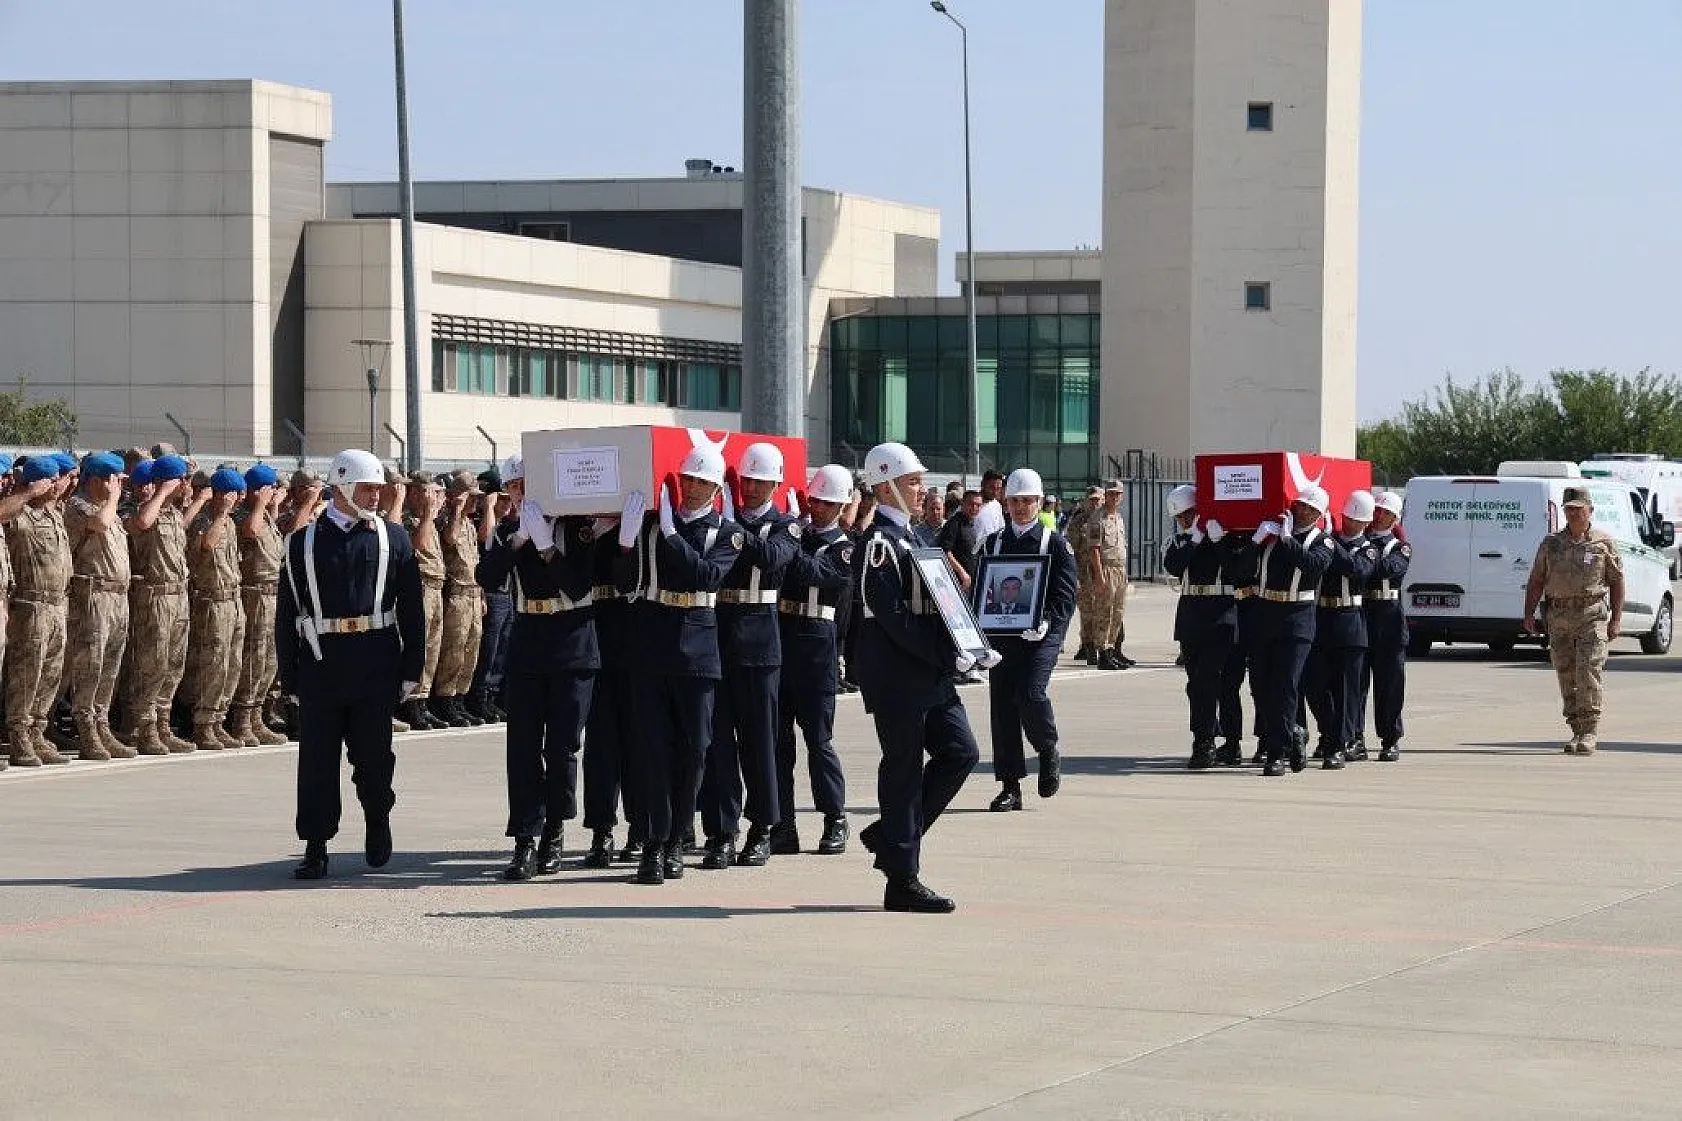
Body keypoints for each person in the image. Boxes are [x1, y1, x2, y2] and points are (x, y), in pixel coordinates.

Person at [852, 442, 999, 913]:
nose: (922, 490)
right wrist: (943, 653)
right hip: (898, 677)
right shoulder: (879, 544)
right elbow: (891, 616)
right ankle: (902, 879)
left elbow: (941, 606)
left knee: (961, 753)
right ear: (885, 485)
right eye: (913, 481)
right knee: (903, 769)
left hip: (929, 672)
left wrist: (968, 644)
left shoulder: (915, 538)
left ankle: (892, 834)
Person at [278, 449, 426, 880]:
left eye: (379, 489)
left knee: (375, 760)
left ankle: (378, 817)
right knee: (317, 762)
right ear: (341, 486)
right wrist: (290, 677)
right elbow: (287, 614)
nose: (376, 496)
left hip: (375, 661)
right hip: (321, 663)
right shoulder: (302, 542)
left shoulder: (393, 539)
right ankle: (316, 843)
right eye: (367, 488)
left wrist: (411, 668)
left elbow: (412, 611)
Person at [477, 453, 607, 880]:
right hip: (529, 637)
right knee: (523, 747)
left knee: (563, 746)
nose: (520, 495)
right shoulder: (510, 532)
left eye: (527, 486)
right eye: (514, 488)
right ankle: (524, 838)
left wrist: (548, 546)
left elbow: (579, 583)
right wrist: (519, 542)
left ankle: (554, 830)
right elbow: (486, 576)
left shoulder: (577, 528)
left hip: (572, 640)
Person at [614, 447, 741, 885]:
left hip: (698, 650)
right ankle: (653, 842)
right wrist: (627, 541)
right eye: (687, 480)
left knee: (696, 748)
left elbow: (705, 578)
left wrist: (670, 535)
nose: (691, 488)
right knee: (651, 749)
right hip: (651, 643)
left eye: (701, 482)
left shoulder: (726, 532)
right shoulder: (653, 525)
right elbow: (622, 578)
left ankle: (677, 839)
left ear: (715, 488)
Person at [699, 442, 800, 870]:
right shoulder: (724, 520)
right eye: (748, 480)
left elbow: (773, 558)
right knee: (717, 742)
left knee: (761, 742)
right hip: (719, 636)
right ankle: (721, 831)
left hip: (760, 642)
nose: (754, 488)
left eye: (762, 481)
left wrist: (731, 530)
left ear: (776, 483)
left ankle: (762, 828)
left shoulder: (786, 525)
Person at [981, 468, 1077, 812]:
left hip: (1041, 635)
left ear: (1039, 502)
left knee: (1031, 694)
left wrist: (1047, 621)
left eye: (1028, 501)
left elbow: (1066, 598)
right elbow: (982, 593)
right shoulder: (993, 542)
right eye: (1015, 501)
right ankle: (1010, 786)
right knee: (1003, 706)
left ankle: (1047, 748)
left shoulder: (1055, 544)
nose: (1021, 508)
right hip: (1003, 636)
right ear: (1006, 503)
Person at [771, 463, 856, 855]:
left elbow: (815, 573)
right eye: (814, 500)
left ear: (840, 506)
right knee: (778, 742)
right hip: (783, 637)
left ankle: (835, 818)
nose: (817, 507)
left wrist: (791, 535)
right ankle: (782, 823)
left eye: (825, 502)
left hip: (817, 645)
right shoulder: (796, 535)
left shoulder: (845, 547)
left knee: (819, 741)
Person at [1522, 485, 1624, 756]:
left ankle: (1590, 731)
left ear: (1590, 510)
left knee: (1588, 670)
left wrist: (1616, 620)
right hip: (1559, 616)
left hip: (1592, 615)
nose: (1574, 515)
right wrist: (1529, 614)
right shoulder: (1551, 543)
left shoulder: (1603, 543)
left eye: (1579, 510)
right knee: (1565, 673)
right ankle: (1576, 729)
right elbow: (1536, 580)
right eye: (1569, 510)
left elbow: (1617, 581)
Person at [1246, 485, 1334, 777]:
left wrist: (1285, 539)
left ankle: (1277, 752)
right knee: (1260, 686)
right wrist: (1255, 541)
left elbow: (1312, 566)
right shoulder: (1272, 536)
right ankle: (1292, 731)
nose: (1302, 511)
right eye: (1299, 505)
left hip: (1297, 618)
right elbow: (1241, 569)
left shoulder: (1322, 541)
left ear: (1319, 514)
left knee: (1285, 685)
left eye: (1310, 508)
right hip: (1265, 614)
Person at [1161, 485, 1246, 769]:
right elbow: (1173, 566)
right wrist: (1194, 540)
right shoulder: (1181, 541)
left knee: (1223, 684)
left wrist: (1218, 540)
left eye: (1190, 514)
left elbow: (1236, 571)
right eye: (1181, 517)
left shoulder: (1225, 537)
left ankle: (1224, 742)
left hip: (1222, 612)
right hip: (1191, 615)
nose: (1186, 521)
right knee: (1197, 684)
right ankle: (1207, 739)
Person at [119, 455, 197, 754]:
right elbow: (141, 523)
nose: (186, 486)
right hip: (155, 596)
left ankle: (162, 724)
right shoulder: (144, 511)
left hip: (178, 596)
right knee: (151, 665)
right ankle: (143, 727)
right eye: (182, 480)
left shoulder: (175, 515)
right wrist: (163, 491)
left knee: (172, 666)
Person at [63, 452, 135, 760]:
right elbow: (101, 525)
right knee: (90, 665)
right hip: (93, 595)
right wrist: (113, 499)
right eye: (114, 479)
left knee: (110, 667)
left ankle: (102, 723)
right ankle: (86, 729)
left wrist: (112, 499)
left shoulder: (110, 507)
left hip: (117, 596)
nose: (119, 485)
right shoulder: (79, 506)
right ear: (96, 481)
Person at [4, 455, 70, 766]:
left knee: (50, 674)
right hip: (32, 605)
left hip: (58, 605)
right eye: (51, 479)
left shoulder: (55, 515)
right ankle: (18, 734)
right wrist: (28, 493)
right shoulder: (21, 516)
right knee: (27, 674)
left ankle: (37, 732)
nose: (58, 484)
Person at [1304, 491, 1377, 770]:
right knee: (1315, 685)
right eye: (1349, 518)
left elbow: (1358, 570)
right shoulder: (1326, 542)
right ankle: (1329, 732)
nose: (1352, 524)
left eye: (1359, 521)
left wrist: (1332, 545)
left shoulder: (1368, 548)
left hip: (1349, 620)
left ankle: (1339, 743)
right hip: (1321, 616)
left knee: (1346, 690)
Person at [185, 468, 247, 750]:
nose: (237, 500)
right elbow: (206, 546)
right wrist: (221, 513)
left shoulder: (230, 523)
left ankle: (218, 719)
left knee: (231, 664)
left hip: (233, 599)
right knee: (213, 664)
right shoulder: (205, 520)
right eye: (233, 495)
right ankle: (203, 723)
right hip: (212, 600)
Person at [230, 463, 289, 747]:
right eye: (271, 488)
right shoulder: (244, 514)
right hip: (255, 594)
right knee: (254, 658)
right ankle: (242, 720)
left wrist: (269, 508)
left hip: (272, 592)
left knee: (269, 660)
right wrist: (261, 505)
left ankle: (256, 716)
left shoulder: (264, 514)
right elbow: (250, 532)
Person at [432, 471, 484, 726]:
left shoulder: (471, 525)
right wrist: (456, 509)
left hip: (473, 593)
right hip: (456, 594)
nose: (475, 502)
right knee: (453, 650)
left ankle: (460, 699)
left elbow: (475, 563)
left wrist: (482, 594)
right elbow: (450, 540)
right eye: (470, 497)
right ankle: (444, 699)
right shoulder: (448, 520)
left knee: (470, 651)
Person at [1361, 490, 1410, 761]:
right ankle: (1354, 736)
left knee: (1390, 684)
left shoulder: (1400, 547)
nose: (1379, 516)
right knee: (1356, 684)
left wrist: (1361, 555)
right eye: (1376, 511)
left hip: (1388, 618)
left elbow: (1383, 570)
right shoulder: (1359, 540)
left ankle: (1390, 738)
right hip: (1362, 613)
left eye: (1385, 513)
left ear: (1395, 517)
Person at [399, 471, 447, 731]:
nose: (434, 498)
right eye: (429, 492)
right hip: (420, 585)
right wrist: (428, 515)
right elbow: (417, 545)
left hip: (436, 587)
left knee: (433, 646)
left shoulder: (428, 519)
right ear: (415, 493)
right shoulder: (411, 520)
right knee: (420, 644)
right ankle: (411, 702)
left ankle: (423, 700)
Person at [468, 466, 514, 724]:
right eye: (502, 499)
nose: (507, 504)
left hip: (506, 593)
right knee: (487, 648)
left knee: (502, 649)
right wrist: (488, 508)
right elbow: (486, 537)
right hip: (490, 593)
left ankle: (493, 697)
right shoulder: (482, 521)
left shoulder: (508, 525)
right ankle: (479, 696)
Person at [1080, 480, 1132, 669]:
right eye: (1111, 494)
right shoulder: (1097, 518)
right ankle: (1102, 651)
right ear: (1106, 496)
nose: (1115, 497)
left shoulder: (1118, 518)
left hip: (1120, 569)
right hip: (1106, 568)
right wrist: (1099, 576)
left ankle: (1111, 650)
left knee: (1118, 612)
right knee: (1104, 612)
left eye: (1118, 494)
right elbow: (1094, 549)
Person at [1066, 486, 1101, 660]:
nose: (1095, 503)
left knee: (1104, 610)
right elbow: (1070, 551)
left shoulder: (1107, 519)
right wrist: (1075, 576)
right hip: (1085, 572)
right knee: (1088, 612)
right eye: (1092, 500)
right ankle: (1088, 647)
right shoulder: (1078, 522)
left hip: (1104, 571)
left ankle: (1107, 646)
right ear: (1086, 501)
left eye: (1098, 500)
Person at [935, 489, 983, 594]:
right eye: (971, 504)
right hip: (958, 583)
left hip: (972, 582)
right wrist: (962, 573)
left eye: (978, 505)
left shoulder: (971, 524)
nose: (975, 508)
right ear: (962, 503)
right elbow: (945, 551)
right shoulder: (954, 524)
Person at [972, 469, 1006, 539]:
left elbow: (1001, 530)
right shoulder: (969, 504)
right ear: (982, 484)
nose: (995, 492)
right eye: (992, 488)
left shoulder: (997, 505)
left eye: (998, 488)